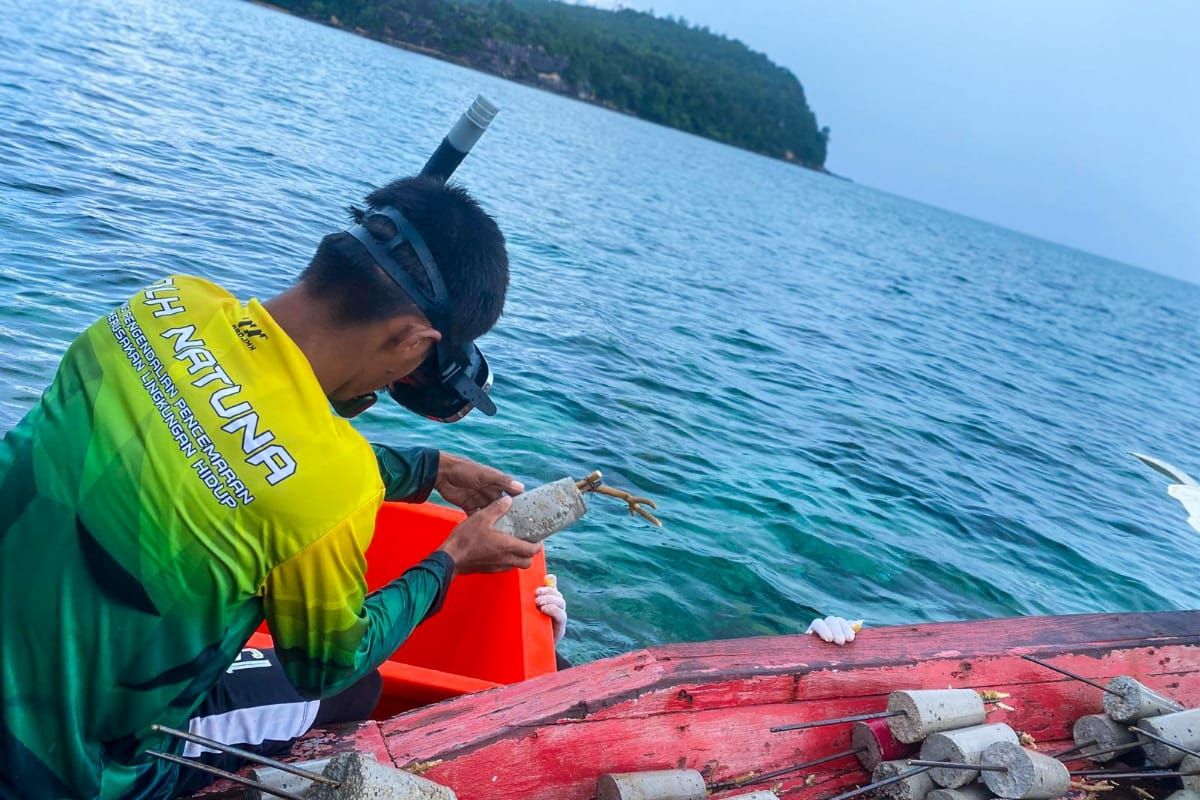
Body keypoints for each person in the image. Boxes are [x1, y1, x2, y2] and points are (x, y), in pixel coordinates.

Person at [0, 176, 538, 799]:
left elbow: (237, 428)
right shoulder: (335, 486)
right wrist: (450, 561)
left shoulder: (167, 303)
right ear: (412, 341)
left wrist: (429, 470)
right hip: (62, 774)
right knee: (353, 689)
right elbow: (327, 663)